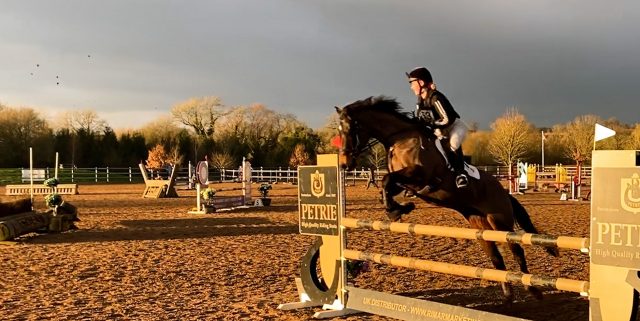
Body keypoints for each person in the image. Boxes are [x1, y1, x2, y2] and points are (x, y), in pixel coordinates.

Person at [406, 66, 468, 188]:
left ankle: (461, 175)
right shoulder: (420, 100)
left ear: (421, 82)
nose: (411, 87)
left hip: (453, 127)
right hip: (440, 130)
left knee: (453, 145)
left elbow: (447, 119)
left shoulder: (435, 98)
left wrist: (431, 125)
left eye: (412, 83)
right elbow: (420, 117)